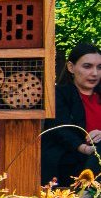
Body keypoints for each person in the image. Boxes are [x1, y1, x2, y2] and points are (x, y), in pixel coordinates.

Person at [43, 41, 101, 187]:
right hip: (70, 160)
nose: (94, 73)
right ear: (71, 67)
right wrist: (85, 148)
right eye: (87, 66)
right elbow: (59, 128)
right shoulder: (59, 95)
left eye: (99, 67)